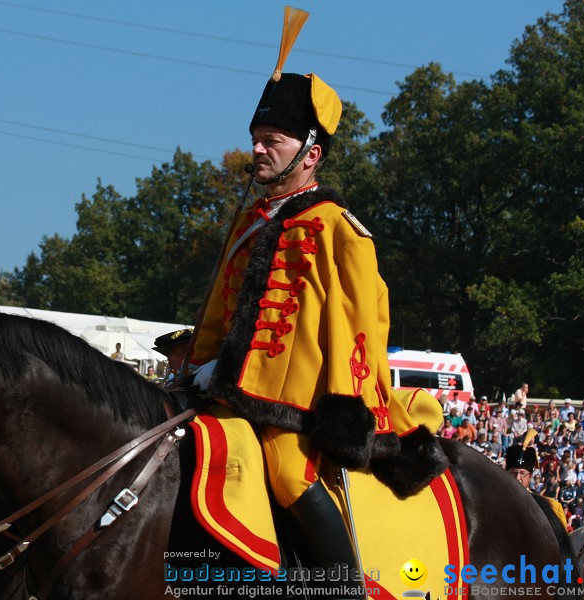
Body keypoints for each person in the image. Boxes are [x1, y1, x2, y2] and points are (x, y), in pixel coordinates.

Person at [189, 69, 445, 571]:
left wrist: (346, 410)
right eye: (256, 140)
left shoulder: (340, 230)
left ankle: (343, 589)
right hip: (226, 388)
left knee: (288, 474)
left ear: (311, 154)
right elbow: (221, 309)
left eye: (272, 141)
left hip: (296, 407)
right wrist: (202, 362)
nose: (258, 151)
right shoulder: (249, 222)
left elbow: (360, 330)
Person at [505, 434, 568, 528]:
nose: (517, 477)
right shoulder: (494, 501)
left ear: (530, 477)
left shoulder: (553, 508)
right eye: (513, 473)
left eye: (522, 473)